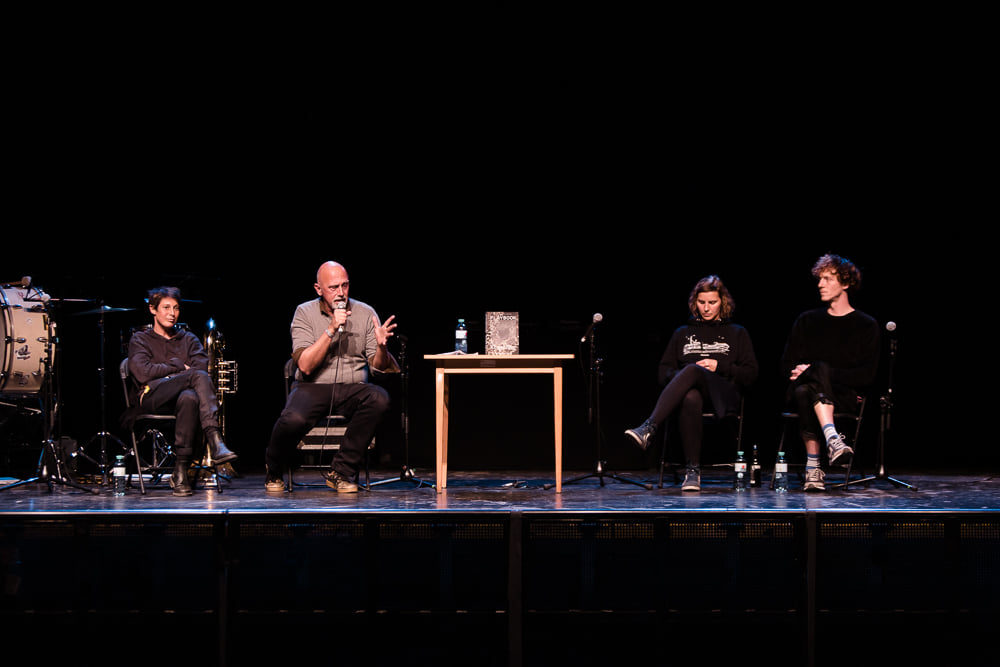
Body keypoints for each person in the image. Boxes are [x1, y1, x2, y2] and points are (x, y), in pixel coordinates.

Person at [265, 261, 399, 493]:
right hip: (313, 386)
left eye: (345, 286)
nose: (341, 293)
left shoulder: (366, 312)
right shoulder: (304, 312)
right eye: (333, 287)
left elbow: (378, 367)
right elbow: (305, 365)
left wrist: (381, 347)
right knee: (293, 419)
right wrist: (331, 329)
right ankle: (274, 468)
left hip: (353, 386)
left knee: (379, 398)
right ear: (318, 289)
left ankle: (341, 471)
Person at [625, 275, 758, 491]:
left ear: (722, 302)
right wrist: (685, 378)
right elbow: (663, 372)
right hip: (692, 397)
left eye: (712, 302)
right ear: (694, 302)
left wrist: (718, 366)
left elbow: (751, 374)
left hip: (724, 396)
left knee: (693, 369)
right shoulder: (682, 333)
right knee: (690, 395)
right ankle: (692, 472)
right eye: (701, 302)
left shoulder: (737, 333)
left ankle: (649, 427)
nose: (706, 308)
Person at [780, 253, 880, 491]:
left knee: (809, 385)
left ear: (846, 283)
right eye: (819, 279)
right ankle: (832, 439)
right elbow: (786, 367)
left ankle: (813, 467)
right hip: (800, 394)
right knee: (805, 388)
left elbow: (866, 376)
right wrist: (815, 372)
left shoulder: (866, 325)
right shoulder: (806, 320)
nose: (820, 284)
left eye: (827, 279)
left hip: (844, 396)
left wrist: (816, 372)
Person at [125, 286, 237, 497]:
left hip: (182, 400)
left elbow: (201, 369)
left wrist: (170, 375)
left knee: (190, 397)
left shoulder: (189, 339)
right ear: (153, 309)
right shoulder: (140, 339)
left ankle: (181, 471)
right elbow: (143, 373)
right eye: (166, 307)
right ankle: (215, 438)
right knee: (195, 379)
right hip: (152, 397)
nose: (172, 313)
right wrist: (177, 366)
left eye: (176, 308)